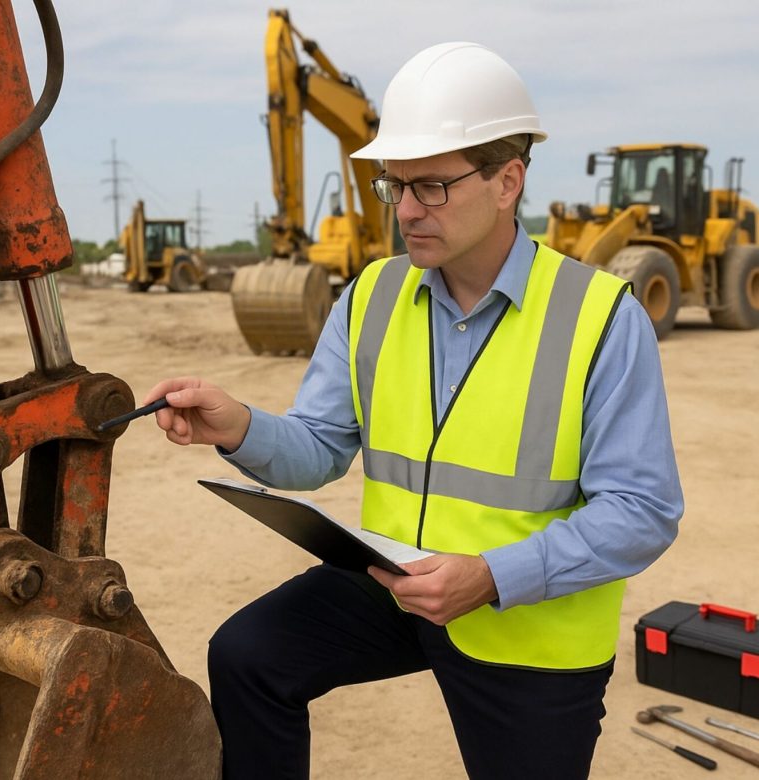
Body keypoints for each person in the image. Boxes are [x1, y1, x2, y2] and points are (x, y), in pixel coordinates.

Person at [145, 41, 683, 779]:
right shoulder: (370, 296)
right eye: (392, 186)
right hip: (392, 586)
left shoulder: (600, 318)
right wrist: (236, 424)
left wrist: (491, 576)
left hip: (530, 626)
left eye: (429, 187)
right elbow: (319, 446)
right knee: (248, 655)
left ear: (508, 181)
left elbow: (642, 511)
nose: (404, 211)